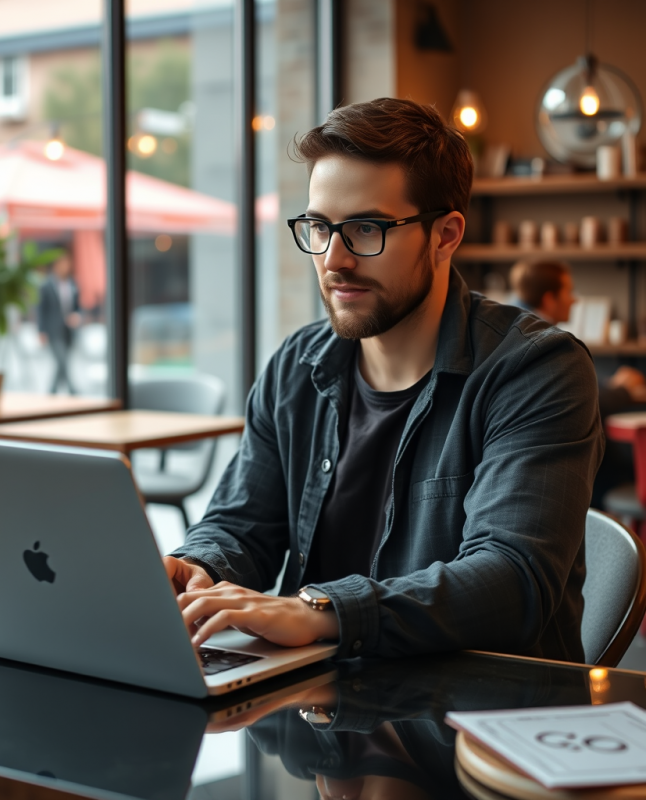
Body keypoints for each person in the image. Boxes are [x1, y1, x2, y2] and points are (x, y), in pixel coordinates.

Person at [164, 98, 603, 664]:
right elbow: (242, 522)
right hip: (318, 717)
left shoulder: (537, 370)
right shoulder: (296, 366)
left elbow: (513, 581)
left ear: (444, 236)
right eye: (319, 226)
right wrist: (198, 568)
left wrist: (322, 612)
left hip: (474, 724)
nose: (334, 259)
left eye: (366, 228)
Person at [510, 258, 646, 506]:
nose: (575, 300)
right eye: (569, 291)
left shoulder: (515, 327)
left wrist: (610, 386)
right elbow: (573, 400)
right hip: (550, 470)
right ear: (550, 299)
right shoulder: (543, 341)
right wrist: (622, 390)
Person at [38, 251, 81, 395]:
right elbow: (40, 310)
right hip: (53, 330)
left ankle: (52, 391)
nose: (66, 266)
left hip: (69, 330)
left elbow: (78, 307)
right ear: (56, 265)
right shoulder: (46, 286)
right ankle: (72, 389)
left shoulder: (72, 284)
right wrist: (41, 331)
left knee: (63, 362)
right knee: (62, 360)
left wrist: (77, 316)